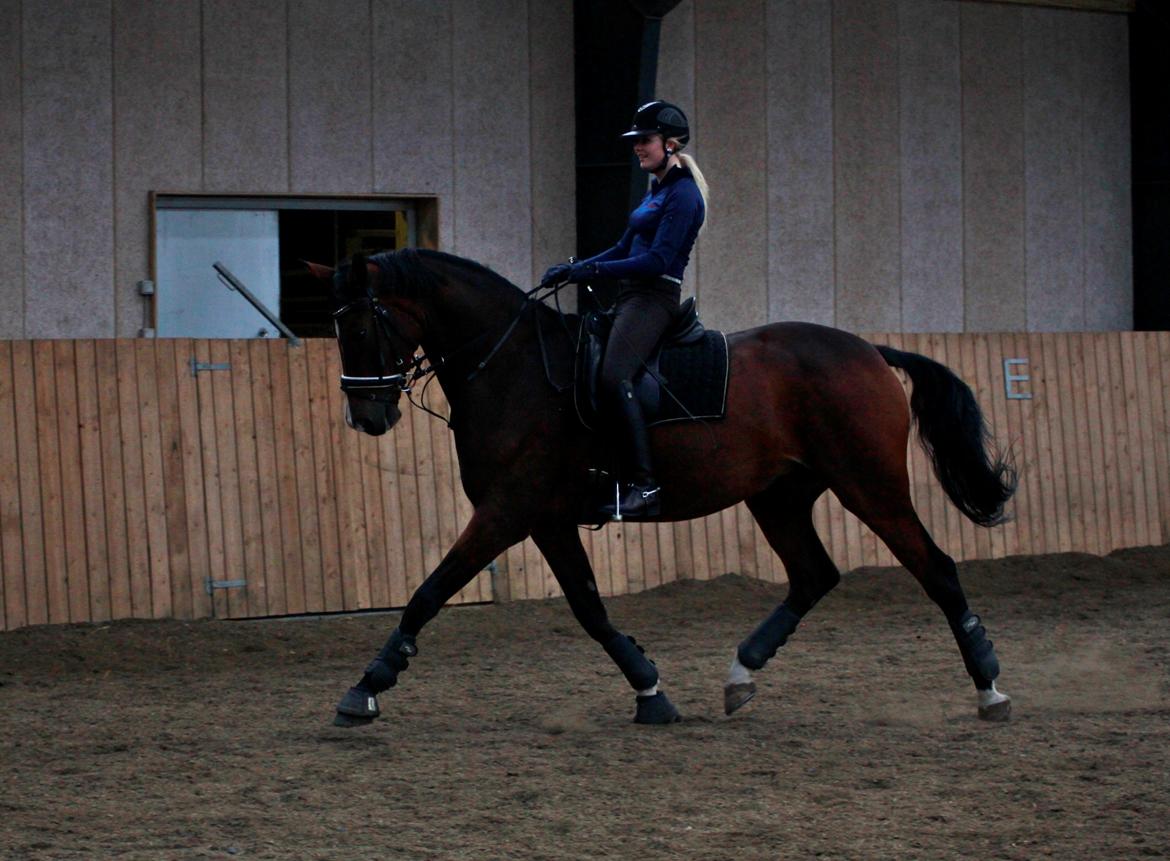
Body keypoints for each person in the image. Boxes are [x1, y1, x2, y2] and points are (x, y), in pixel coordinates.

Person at [544, 100, 708, 518]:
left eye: (645, 140)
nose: (637, 147)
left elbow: (656, 261)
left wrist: (591, 271)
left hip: (655, 297)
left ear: (670, 145)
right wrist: (573, 268)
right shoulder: (657, 190)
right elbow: (624, 247)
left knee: (615, 373)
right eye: (636, 141)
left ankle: (646, 486)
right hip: (630, 296)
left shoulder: (684, 194)